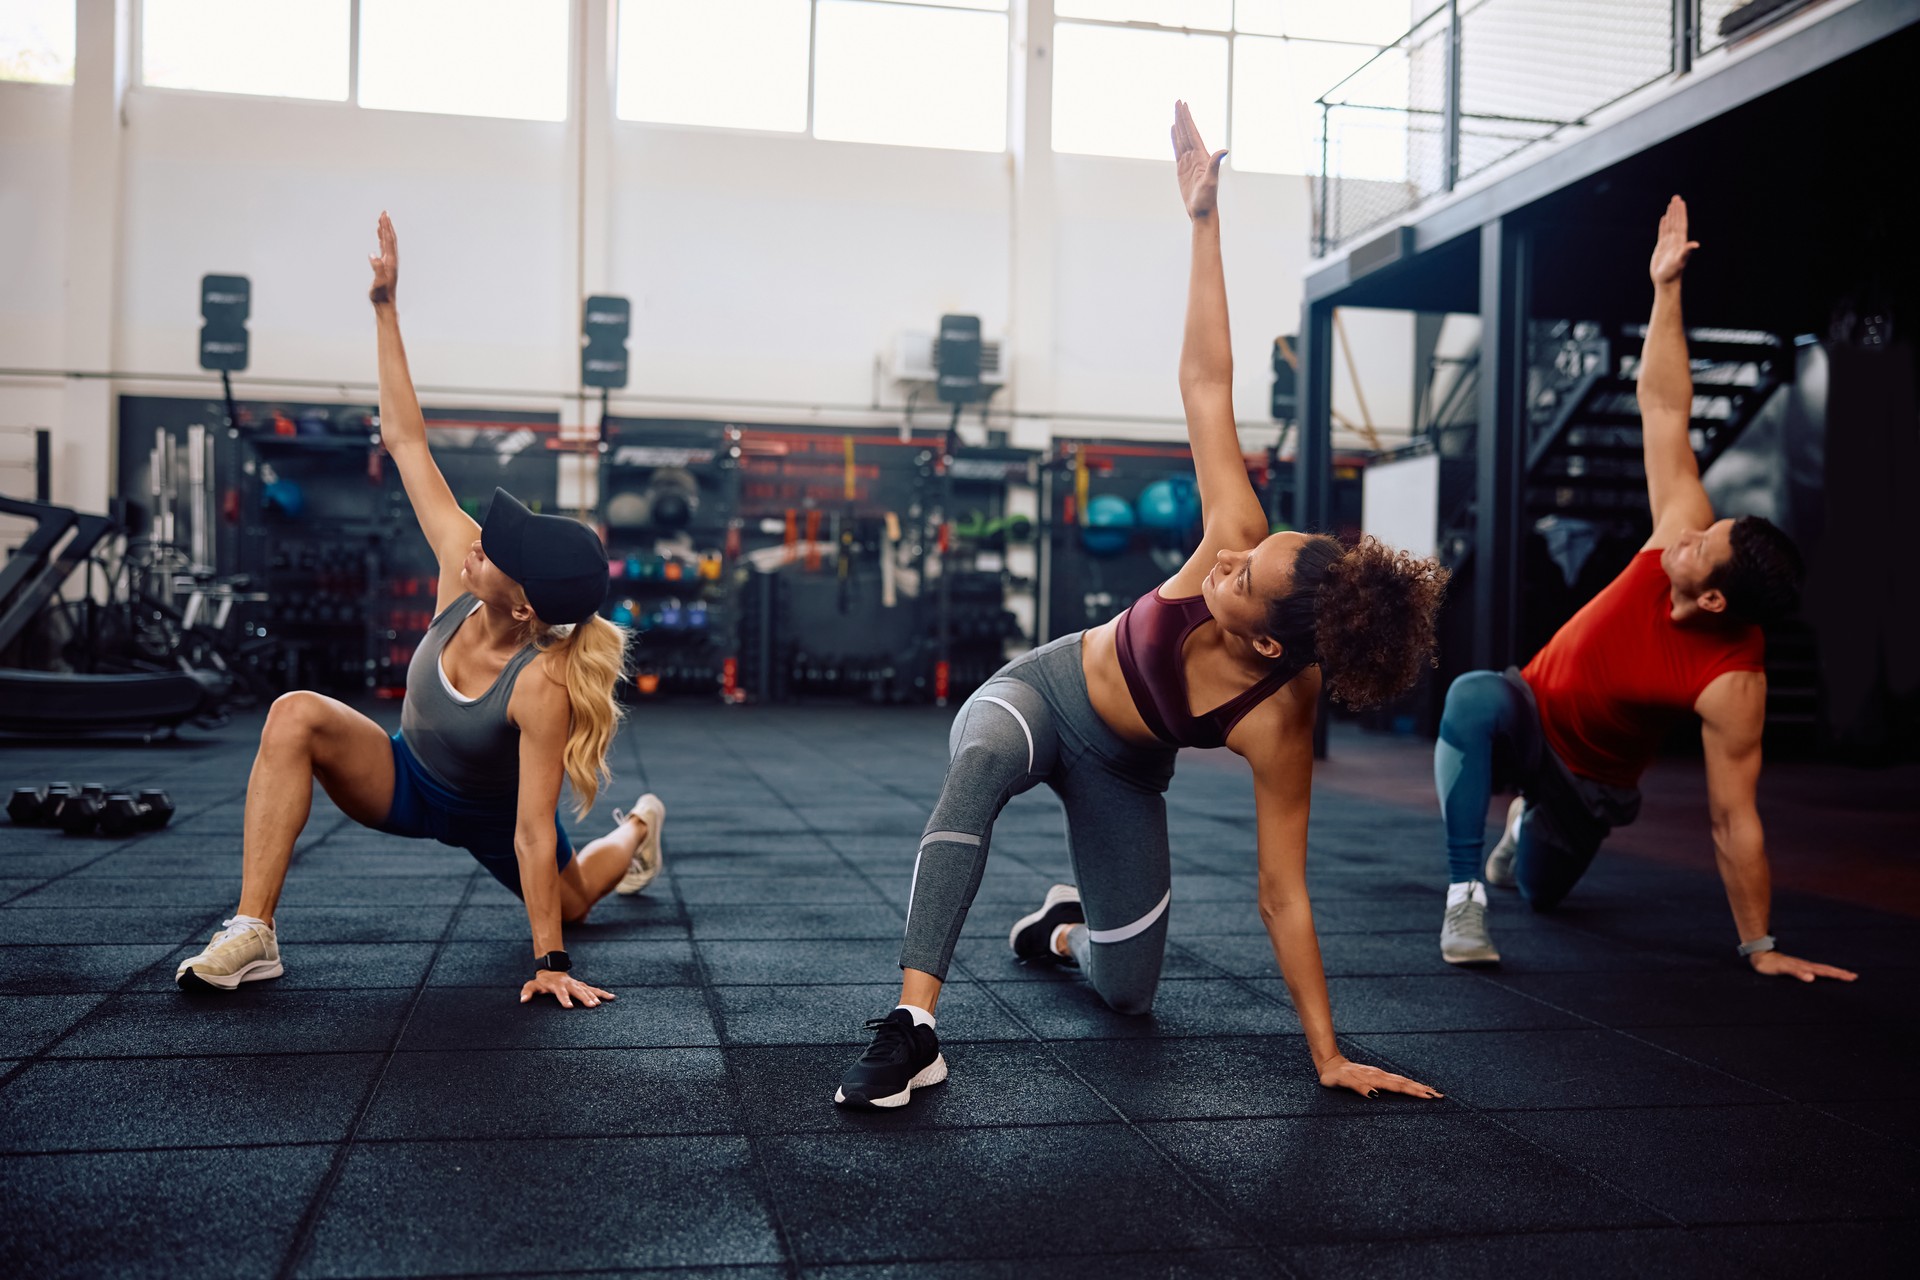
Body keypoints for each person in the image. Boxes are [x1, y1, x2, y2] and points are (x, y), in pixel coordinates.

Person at [834, 104, 1450, 1110]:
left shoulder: (1279, 720)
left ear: (1262, 638)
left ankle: (1061, 926)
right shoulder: (1237, 528)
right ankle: (914, 1024)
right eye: (1249, 551)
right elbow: (1208, 380)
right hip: (1047, 691)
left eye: (1244, 578)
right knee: (982, 760)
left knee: (1126, 994)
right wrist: (1204, 222)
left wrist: (1327, 1052)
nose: (1232, 559)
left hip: (1125, 771)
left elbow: (1283, 892)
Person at [175, 212, 666, 1008]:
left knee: (576, 898)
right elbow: (405, 440)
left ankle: (638, 831)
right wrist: (385, 308)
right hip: (403, 778)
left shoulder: (540, 684)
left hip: (490, 817)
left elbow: (533, 830)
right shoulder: (460, 563)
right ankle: (253, 929)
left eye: (494, 550)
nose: (478, 544)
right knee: (294, 713)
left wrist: (550, 959)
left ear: (526, 602)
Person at [1434, 196, 1856, 985]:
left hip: (1585, 787)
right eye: (1703, 526)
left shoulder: (1733, 683)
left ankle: (1525, 826)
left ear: (1718, 602)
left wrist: (1760, 948)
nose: (1689, 531)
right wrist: (1665, 289)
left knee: (1541, 892)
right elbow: (1664, 406)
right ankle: (1462, 899)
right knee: (1470, 697)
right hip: (1530, 706)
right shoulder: (1680, 529)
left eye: (1704, 546)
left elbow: (1734, 819)